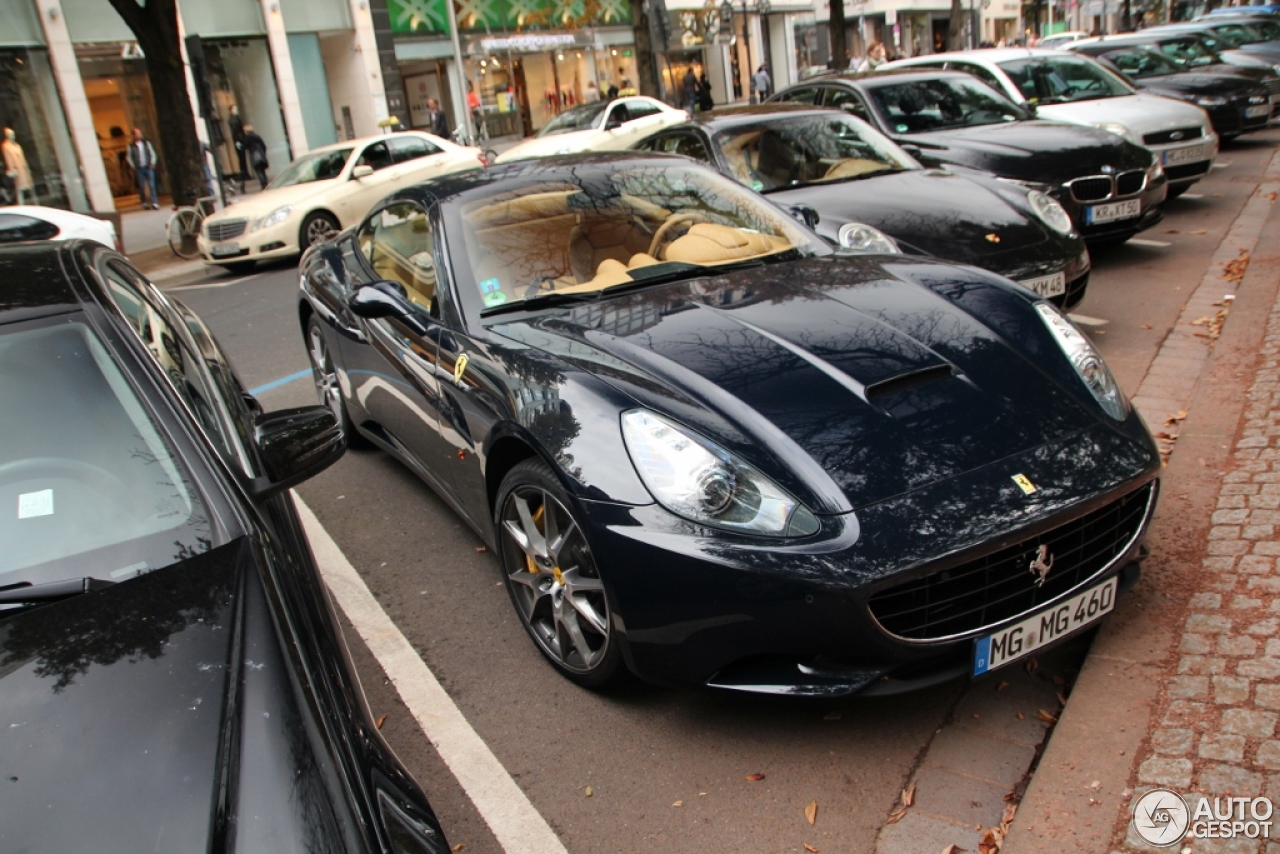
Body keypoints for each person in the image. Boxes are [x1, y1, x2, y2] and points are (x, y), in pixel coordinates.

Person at [127, 127, 159, 210]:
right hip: (139, 168)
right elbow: (129, 157)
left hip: (148, 167)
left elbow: (152, 153)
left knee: (151, 185)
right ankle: (144, 202)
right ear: (133, 135)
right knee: (141, 186)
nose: (139, 135)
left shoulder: (146, 143)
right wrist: (134, 166)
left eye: (139, 133)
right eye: (137, 133)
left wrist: (152, 162)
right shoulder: (131, 146)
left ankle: (154, 202)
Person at [2, 128, 33, 205]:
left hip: (23, 169)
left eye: (12, 134)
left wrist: (27, 168)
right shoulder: (6, 146)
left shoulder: (17, 146)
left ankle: (29, 203)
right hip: (17, 171)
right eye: (10, 134)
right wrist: (12, 169)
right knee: (19, 188)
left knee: (26, 187)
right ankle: (20, 204)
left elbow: (22, 158)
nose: (12, 136)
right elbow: (8, 159)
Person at [242, 124, 269, 189]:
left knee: (259, 171)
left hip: (254, 155)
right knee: (262, 171)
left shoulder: (247, 138)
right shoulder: (257, 136)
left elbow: (244, 146)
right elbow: (264, 146)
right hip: (261, 154)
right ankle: (266, 183)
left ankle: (263, 185)